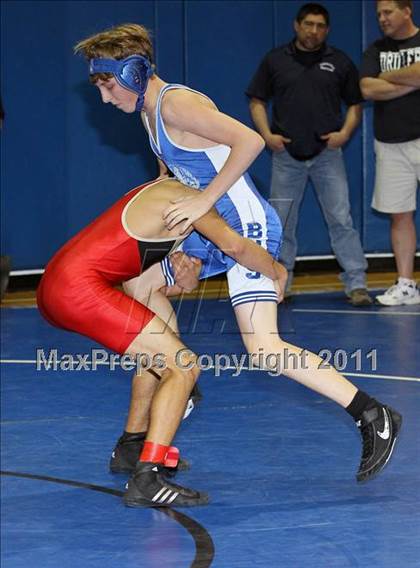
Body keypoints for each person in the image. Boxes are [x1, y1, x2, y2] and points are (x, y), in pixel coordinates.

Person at [74, 23, 402, 506]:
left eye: (106, 85)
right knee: (140, 287)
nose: (103, 99)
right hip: (207, 228)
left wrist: (203, 201)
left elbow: (247, 141)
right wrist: (183, 238)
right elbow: (175, 173)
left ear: (133, 71)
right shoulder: (148, 111)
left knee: (266, 349)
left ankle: (372, 414)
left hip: (244, 228)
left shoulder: (176, 104)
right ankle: (177, 378)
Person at [37, 177, 288, 507]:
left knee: (159, 351)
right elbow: (237, 247)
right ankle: (147, 478)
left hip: (58, 283)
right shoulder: (192, 201)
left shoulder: (160, 189)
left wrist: (183, 274)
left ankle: (132, 446)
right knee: (184, 367)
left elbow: (141, 279)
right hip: (77, 288)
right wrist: (277, 270)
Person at [246, 3, 372, 307]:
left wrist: (345, 133)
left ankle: (357, 284)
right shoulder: (276, 60)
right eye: (309, 24)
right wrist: (266, 135)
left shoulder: (339, 62)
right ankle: (281, 282)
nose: (314, 31)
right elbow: (256, 100)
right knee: (282, 221)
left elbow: (355, 103)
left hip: (327, 156)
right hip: (286, 156)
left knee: (341, 219)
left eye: (320, 26)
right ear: (296, 25)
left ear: (326, 30)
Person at [360, 0, 420, 305]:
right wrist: (411, 80)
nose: (382, 18)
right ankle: (407, 284)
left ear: (407, 10)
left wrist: (387, 77)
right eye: (379, 14)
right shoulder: (375, 51)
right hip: (390, 144)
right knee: (400, 215)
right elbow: (367, 89)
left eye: (388, 12)